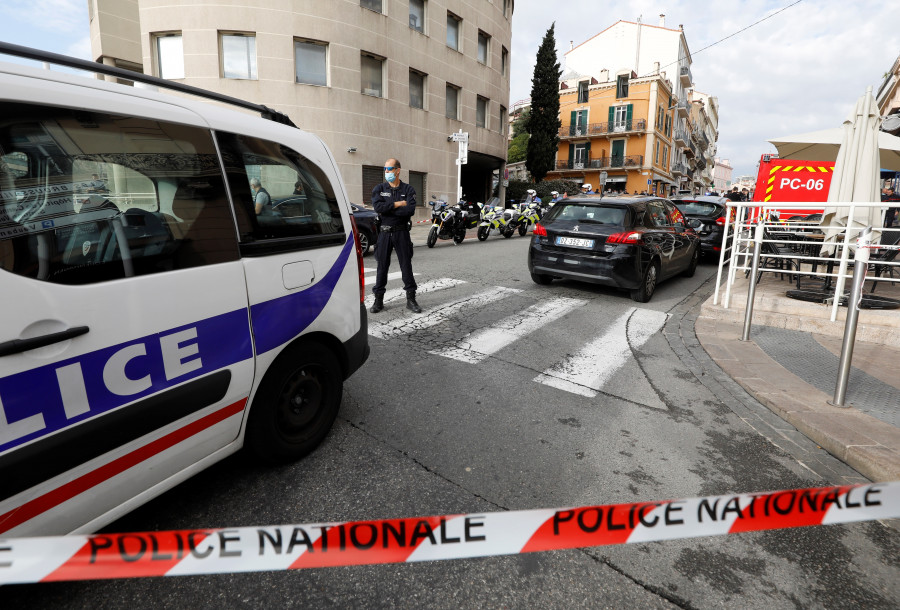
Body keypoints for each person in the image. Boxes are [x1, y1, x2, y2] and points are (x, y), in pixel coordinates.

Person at [369, 158, 420, 314]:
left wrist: (388, 208)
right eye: (385, 169)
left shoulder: (408, 189)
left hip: (401, 232)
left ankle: (411, 300)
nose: (386, 172)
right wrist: (398, 204)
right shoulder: (379, 188)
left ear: (398, 170)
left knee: (406, 265)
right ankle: (378, 301)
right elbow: (378, 207)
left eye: (389, 169)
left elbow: (409, 210)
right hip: (384, 232)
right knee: (382, 267)